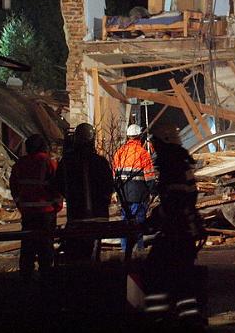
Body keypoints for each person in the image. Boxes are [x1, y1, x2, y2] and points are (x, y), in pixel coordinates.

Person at [143, 119, 204, 328]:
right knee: (180, 275)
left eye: (155, 142)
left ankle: (160, 317)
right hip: (183, 229)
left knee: (156, 272)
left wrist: (156, 216)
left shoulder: (172, 164)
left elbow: (176, 200)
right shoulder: (180, 160)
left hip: (177, 230)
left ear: (164, 141)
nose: (153, 146)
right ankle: (187, 317)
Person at [54, 122, 114, 262]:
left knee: (78, 257)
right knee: (94, 257)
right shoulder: (101, 162)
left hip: (77, 216)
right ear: (92, 140)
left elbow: (59, 185)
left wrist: (72, 197)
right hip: (99, 217)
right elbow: (109, 186)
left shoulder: (67, 163)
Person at [9, 134, 62, 280]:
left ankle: (26, 277)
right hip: (47, 213)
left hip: (28, 213)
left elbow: (14, 187)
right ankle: (46, 277)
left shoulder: (20, 164)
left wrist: (20, 203)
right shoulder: (49, 163)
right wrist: (57, 205)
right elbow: (57, 187)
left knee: (27, 245)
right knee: (46, 246)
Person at [112, 122, 155, 253]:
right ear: (139, 137)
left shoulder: (119, 153)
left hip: (123, 194)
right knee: (138, 222)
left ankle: (125, 250)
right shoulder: (143, 154)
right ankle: (138, 250)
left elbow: (114, 175)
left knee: (125, 223)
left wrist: (115, 192)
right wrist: (153, 191)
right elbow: (149, 175)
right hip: (138, 193)